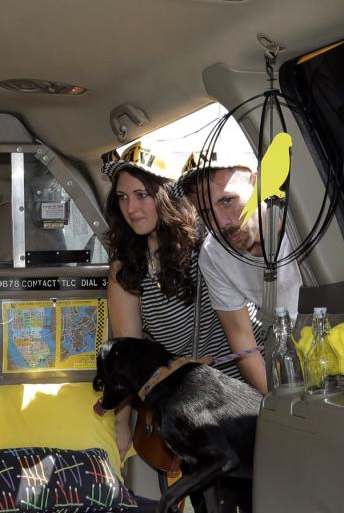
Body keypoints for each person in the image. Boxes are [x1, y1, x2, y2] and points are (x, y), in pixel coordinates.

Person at [100, 161, 257, 451]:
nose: (131, 208)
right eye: (122, 197)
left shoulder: (209, 241)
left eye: (141, 195)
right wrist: (120, 426)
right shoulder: (126, 268)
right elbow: (129, 357)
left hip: (247, 386)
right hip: (196, 405)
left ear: (165, 194)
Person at [186, 162, 302, 394]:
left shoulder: (300, 225)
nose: (220, 224)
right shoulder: (214, 254)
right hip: (289, 357)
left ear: (258, 183)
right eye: (206, 213)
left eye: (227, 200)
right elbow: (243, 343)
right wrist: (278, 406)